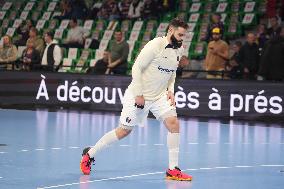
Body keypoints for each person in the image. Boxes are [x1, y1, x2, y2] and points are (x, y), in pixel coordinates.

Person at [80, 18, 192, 181]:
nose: (182, 38)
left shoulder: (179, 49)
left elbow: (172, 72)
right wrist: (139, 94)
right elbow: (136, 67)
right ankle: (89, 154)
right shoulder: (155, 45)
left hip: (160, 95)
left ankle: (173, 169)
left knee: (174, 123)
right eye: (180, 34)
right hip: (139, 94)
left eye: (184, 35)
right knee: (124, 131)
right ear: (170, 31)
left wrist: (171, 90)